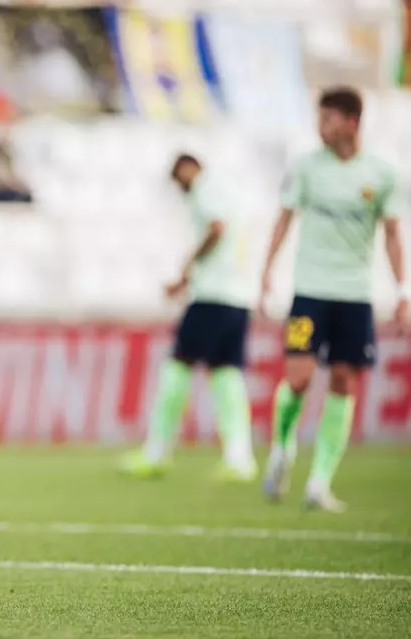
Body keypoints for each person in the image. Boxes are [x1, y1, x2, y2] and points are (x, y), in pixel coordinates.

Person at [261, 86, 408, 512]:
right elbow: (283, 219)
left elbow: (393, 235)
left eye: (327, 119)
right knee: (298, 379)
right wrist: (266, 271)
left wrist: (403, 292)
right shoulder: (305, 167)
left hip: (355, 296)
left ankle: (319, 481)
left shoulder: (382, 173)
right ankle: (282, 448)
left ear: (351, 122)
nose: (320, 127)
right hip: (309, 292)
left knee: (344, 382)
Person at [120, 154, 257, 481]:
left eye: (178, 178)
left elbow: (217, 228)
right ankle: (239, 458)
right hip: (238, 297)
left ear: (187, 168)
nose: (180, 187)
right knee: (226, 374)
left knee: (178, 367)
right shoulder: (230, 189)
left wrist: (188, 265)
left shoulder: (205, 188)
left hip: (211, 296)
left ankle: (156, 452)